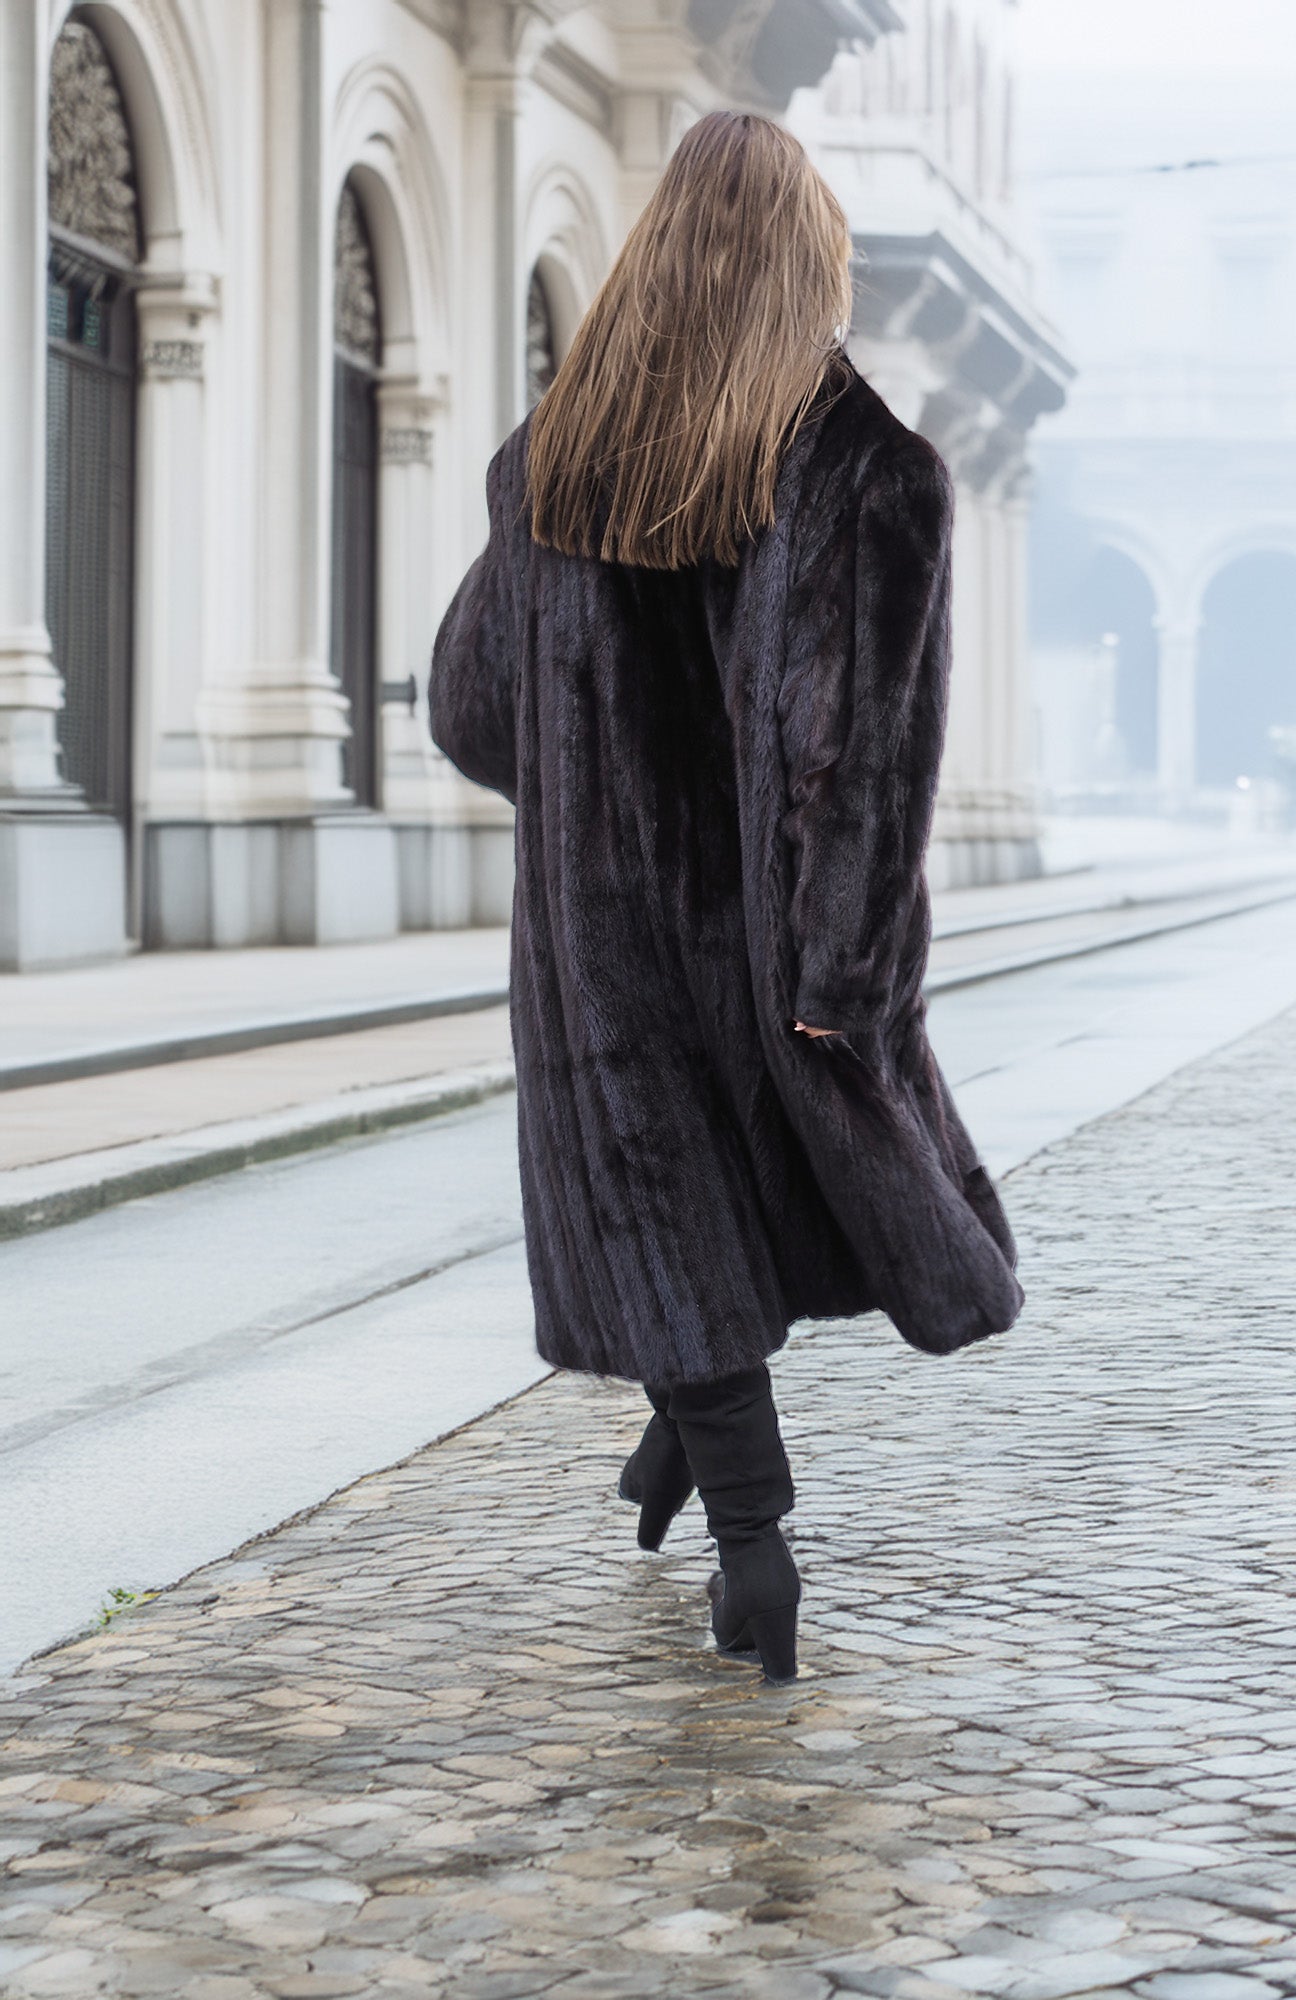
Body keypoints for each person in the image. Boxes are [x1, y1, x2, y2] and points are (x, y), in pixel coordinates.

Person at [428, 111, 1023, 1687]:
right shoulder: (866, 474)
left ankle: (694, 1465)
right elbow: (860, 766)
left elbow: (469, 708)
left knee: (657, 1204)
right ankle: (754, 1549)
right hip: (774, 940)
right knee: (754, 1189)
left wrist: (585, 800)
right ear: (810, 268)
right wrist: (847, 981)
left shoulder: (547, 467)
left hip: (598, 949)